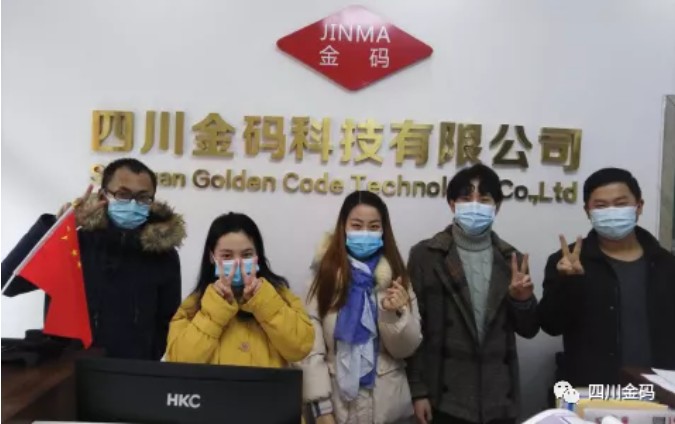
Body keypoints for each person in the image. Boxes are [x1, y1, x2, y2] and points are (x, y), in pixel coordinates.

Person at [1, 158, 186, 360]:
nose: (133, 204)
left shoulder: (163, 255)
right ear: (104, 195)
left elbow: (168, 320)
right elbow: (7, 283)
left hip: (131, 371)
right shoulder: (73, 243)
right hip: (68, 369)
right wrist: (55, 228)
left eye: (143, 197)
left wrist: (147, 355)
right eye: (123, 194)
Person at [406, 164, 539, 424]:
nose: (475, 206)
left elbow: (529, 329)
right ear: (452, 204)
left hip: (498, 398)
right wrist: (417, 391)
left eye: (484, 199)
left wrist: (522, 300)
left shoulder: (512, 259)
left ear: (497, 206)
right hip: (443, 396)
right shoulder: (426, 256)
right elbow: (414, 330)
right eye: (466, 199)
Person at [538, 168, 675, 387]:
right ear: (587, 211)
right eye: (601, 206)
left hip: (659, 391)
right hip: (592, 391)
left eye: (620, 204)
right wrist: (569, 282)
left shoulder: (666, 264)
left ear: (639, 206)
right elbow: (551, 325)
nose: (611, 212)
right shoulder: (566, 261)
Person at [300, 191, 422, 424]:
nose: (365, 233)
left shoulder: (396, 277)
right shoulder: (322, 277)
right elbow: (310, 349)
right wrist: (322, 409)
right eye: (357, 225)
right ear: (343, 227)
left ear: (383, 230)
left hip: (389, 410)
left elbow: (406, 349)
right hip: (337, 409)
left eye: (373, 226)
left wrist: (394, 315)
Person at [165, 212, 314, 368]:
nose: (237, 262)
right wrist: (216, 308)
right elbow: (178, 362)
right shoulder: (193, 306)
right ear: (211, 257)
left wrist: (262, 300)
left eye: (246, 255)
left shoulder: (280, 296)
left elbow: (300, 348)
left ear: (258, 255)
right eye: (227, 255)